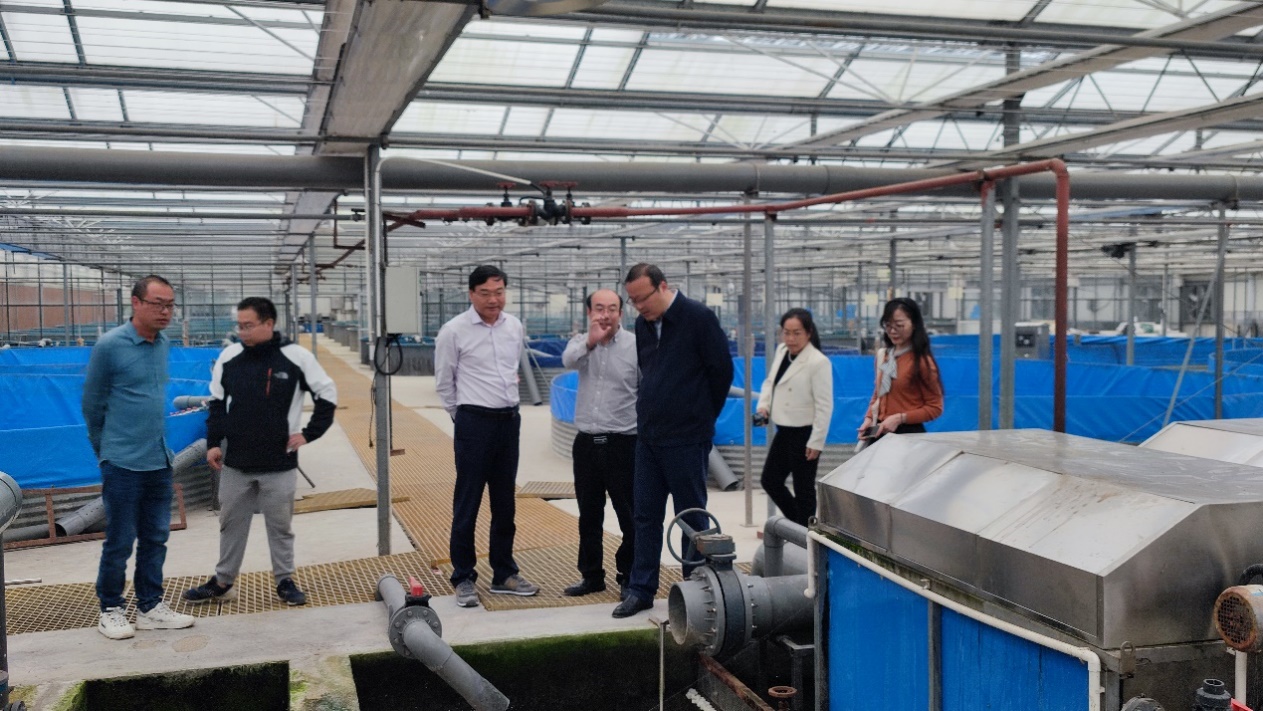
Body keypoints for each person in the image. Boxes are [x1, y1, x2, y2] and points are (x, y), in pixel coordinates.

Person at [182, 297, 337, 608]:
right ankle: (223, 582)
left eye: (248, 326)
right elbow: (216, 403)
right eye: (239, 326)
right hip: (236, 462)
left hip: (279, 463)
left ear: (269, 324)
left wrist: (309, 434)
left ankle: (285, 581)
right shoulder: (230, 357)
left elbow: (327, 394)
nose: (242, 332)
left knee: (280, 526)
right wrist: (214, 442)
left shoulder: (295, 357)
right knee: (230, 523)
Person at [616, 263, 733, 618]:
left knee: (691, 517)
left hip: (686, 438)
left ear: (663, 286)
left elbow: (721, 372)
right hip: (649, 436)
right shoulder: (642, 325)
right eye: (633, 301)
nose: (639, 307)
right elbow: (648, 372)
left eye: (644, 298)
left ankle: (695, 589)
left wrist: (701, 419)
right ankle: (641, 589)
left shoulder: (698, 318)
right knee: (645, 515)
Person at [83, 274, 195, 640]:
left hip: (158, 460)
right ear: (135, 303)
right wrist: (106, 453)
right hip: (122, 462)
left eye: (170, 305)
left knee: (156, 537)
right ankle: (110, 609)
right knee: (119, 540)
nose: (165, 312)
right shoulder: (110, 346)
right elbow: (92, 405)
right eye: (158, 304)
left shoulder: (163, 343)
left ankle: (149, 606)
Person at [435, 265, 540, 608]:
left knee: (505, 502)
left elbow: (510, 371)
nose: (494, 300)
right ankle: (463, 576)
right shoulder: (454, 331)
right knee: (468, 501)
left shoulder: (514, 326)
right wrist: (463, 417)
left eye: (499, 292)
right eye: (485, 294)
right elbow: (444, 382)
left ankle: (504, 573)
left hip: (508, 421)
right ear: (471, 294)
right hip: (474, 421)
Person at [560, 289, 639, 599]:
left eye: (612, 309)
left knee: (629, 515)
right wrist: (590, 342)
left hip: (623, 443)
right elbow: (567, 361)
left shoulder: (635, 346)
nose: (605, 315)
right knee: (589, 514)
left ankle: (629, 575)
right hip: (586, 444)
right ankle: (591, 575)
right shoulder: (580, 344)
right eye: (599, 308)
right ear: (589, 312)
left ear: (621, 312)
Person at [756, 308, 833, 527]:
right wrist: (763, 406)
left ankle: (807, 535)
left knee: (804, 489)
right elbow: (771, 382)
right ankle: (798, 526)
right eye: (786, 332)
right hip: (784, 430)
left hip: (805, 433)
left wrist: (816, 441)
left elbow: (825, 405)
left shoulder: (817, 362)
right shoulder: (782, 351)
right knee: (770, 480)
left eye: (797, 333)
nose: (790, 338)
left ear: (809, 333)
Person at [859, 297, 944, 443]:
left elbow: (935, 408)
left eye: (899, 325)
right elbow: (879, 394)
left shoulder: (921, 362)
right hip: (880, 431)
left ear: (914, 324)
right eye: (888, 325)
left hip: (908, 435)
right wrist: (869, 418)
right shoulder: (884, 356)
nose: (893, 331)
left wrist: (900, 418)